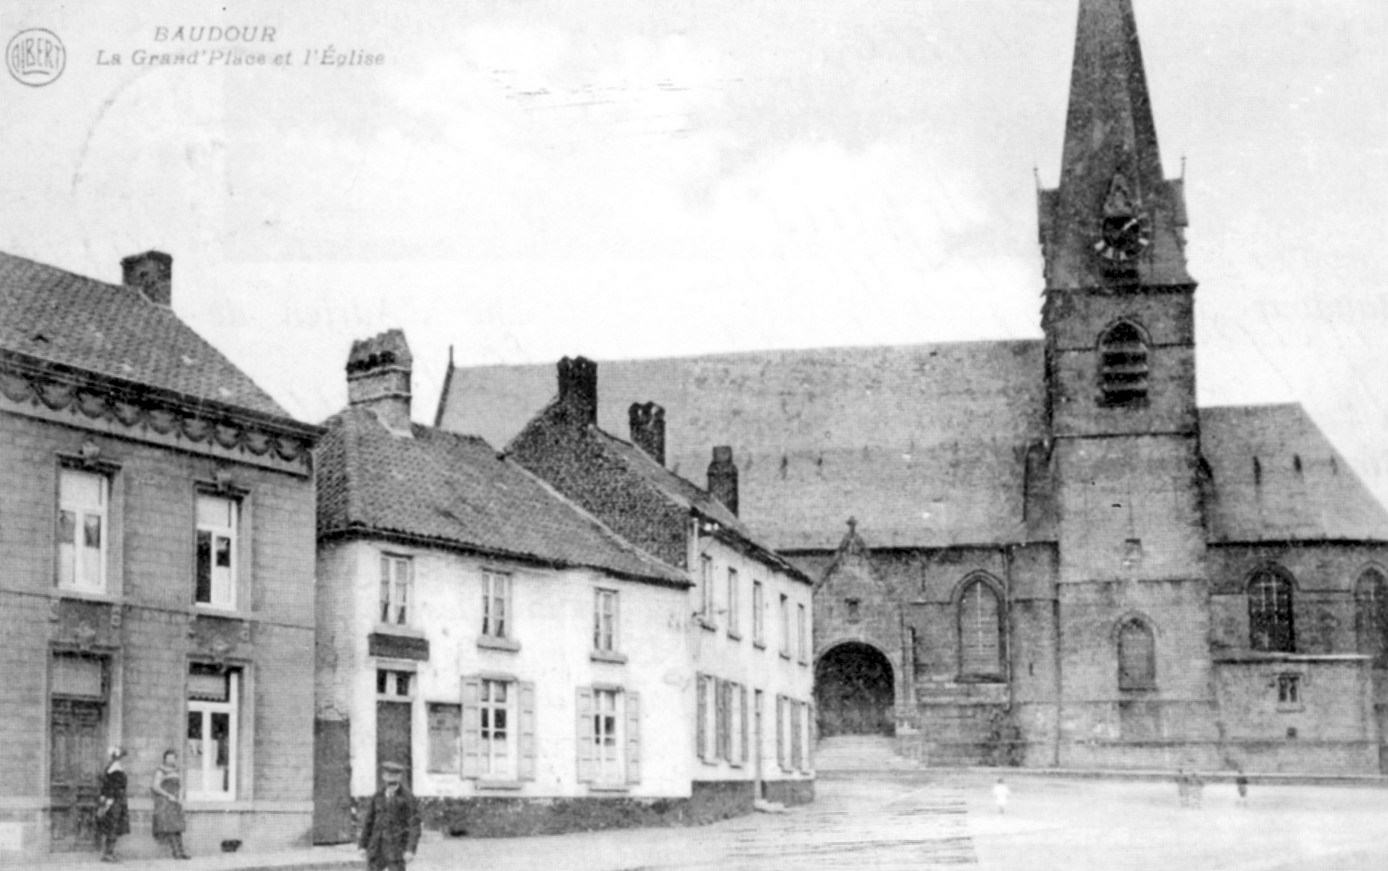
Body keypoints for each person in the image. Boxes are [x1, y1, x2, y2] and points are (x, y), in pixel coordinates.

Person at [358, 761, 421, 871]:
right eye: (388, 777)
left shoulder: (408, 798)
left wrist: (410, 850)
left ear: (400, 778)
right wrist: (362, 845)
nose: (391, 784)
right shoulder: (377, 797)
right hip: (376, 849)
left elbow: (414, 826)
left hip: (396, 850)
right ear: (383, 777)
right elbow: (369, 822)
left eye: (394, 779)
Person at [151, 749, 191, 859]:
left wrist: (181, 796)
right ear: (165, 759)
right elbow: (155, 787)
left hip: (176, 801)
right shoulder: (161, 770)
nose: (171, 760)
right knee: (171, 827)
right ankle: (176, 852)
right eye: (168, 757)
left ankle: (181, 851)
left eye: (173, 757)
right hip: (166, 801)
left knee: (178, 827)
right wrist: (169, 796)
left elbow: (180, 785)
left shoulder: (176, 770)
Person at [96, 747, 130, 863]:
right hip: (115, 801)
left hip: (113, 800)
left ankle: (109, 853)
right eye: (121, 757)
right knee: (113, 826)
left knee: (112, 826)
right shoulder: (116, 770)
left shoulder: (111, 768)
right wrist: (110, 800)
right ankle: (108, 854)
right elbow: (113, 787)